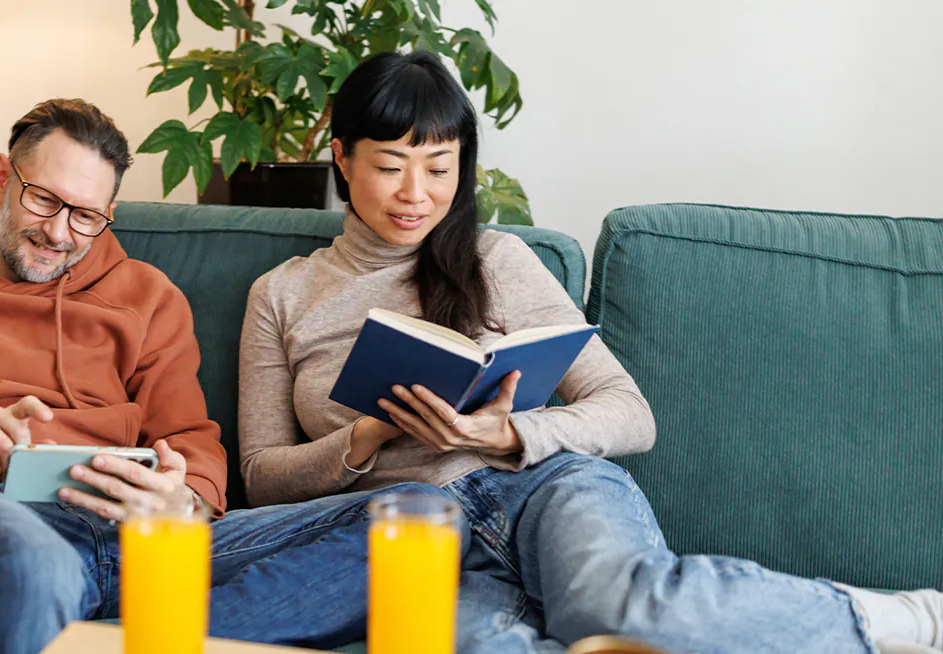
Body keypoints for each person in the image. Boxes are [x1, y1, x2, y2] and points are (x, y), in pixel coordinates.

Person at [236, 50, 943, 654]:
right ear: (341, 157)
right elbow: (263, 479)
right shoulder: (282, 294)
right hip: (420, 535)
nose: (418, 196)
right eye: (391, 166)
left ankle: (892, 618)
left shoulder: (498, 258)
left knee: (615, 609)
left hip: (543, 488)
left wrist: (512, 431)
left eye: (440, 169)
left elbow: (631, 414)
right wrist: (371, 431)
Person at [0, 98, 441, 654]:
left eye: (86, 215)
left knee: (414, 517)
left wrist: (183, 499)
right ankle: (92, 613)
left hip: (129, 535)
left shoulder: (149, 299)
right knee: (29, 560)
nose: (59, 232)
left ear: (109, 211)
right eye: (44, 200)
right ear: (2, 178)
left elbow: (191, 436)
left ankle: (120, 633)